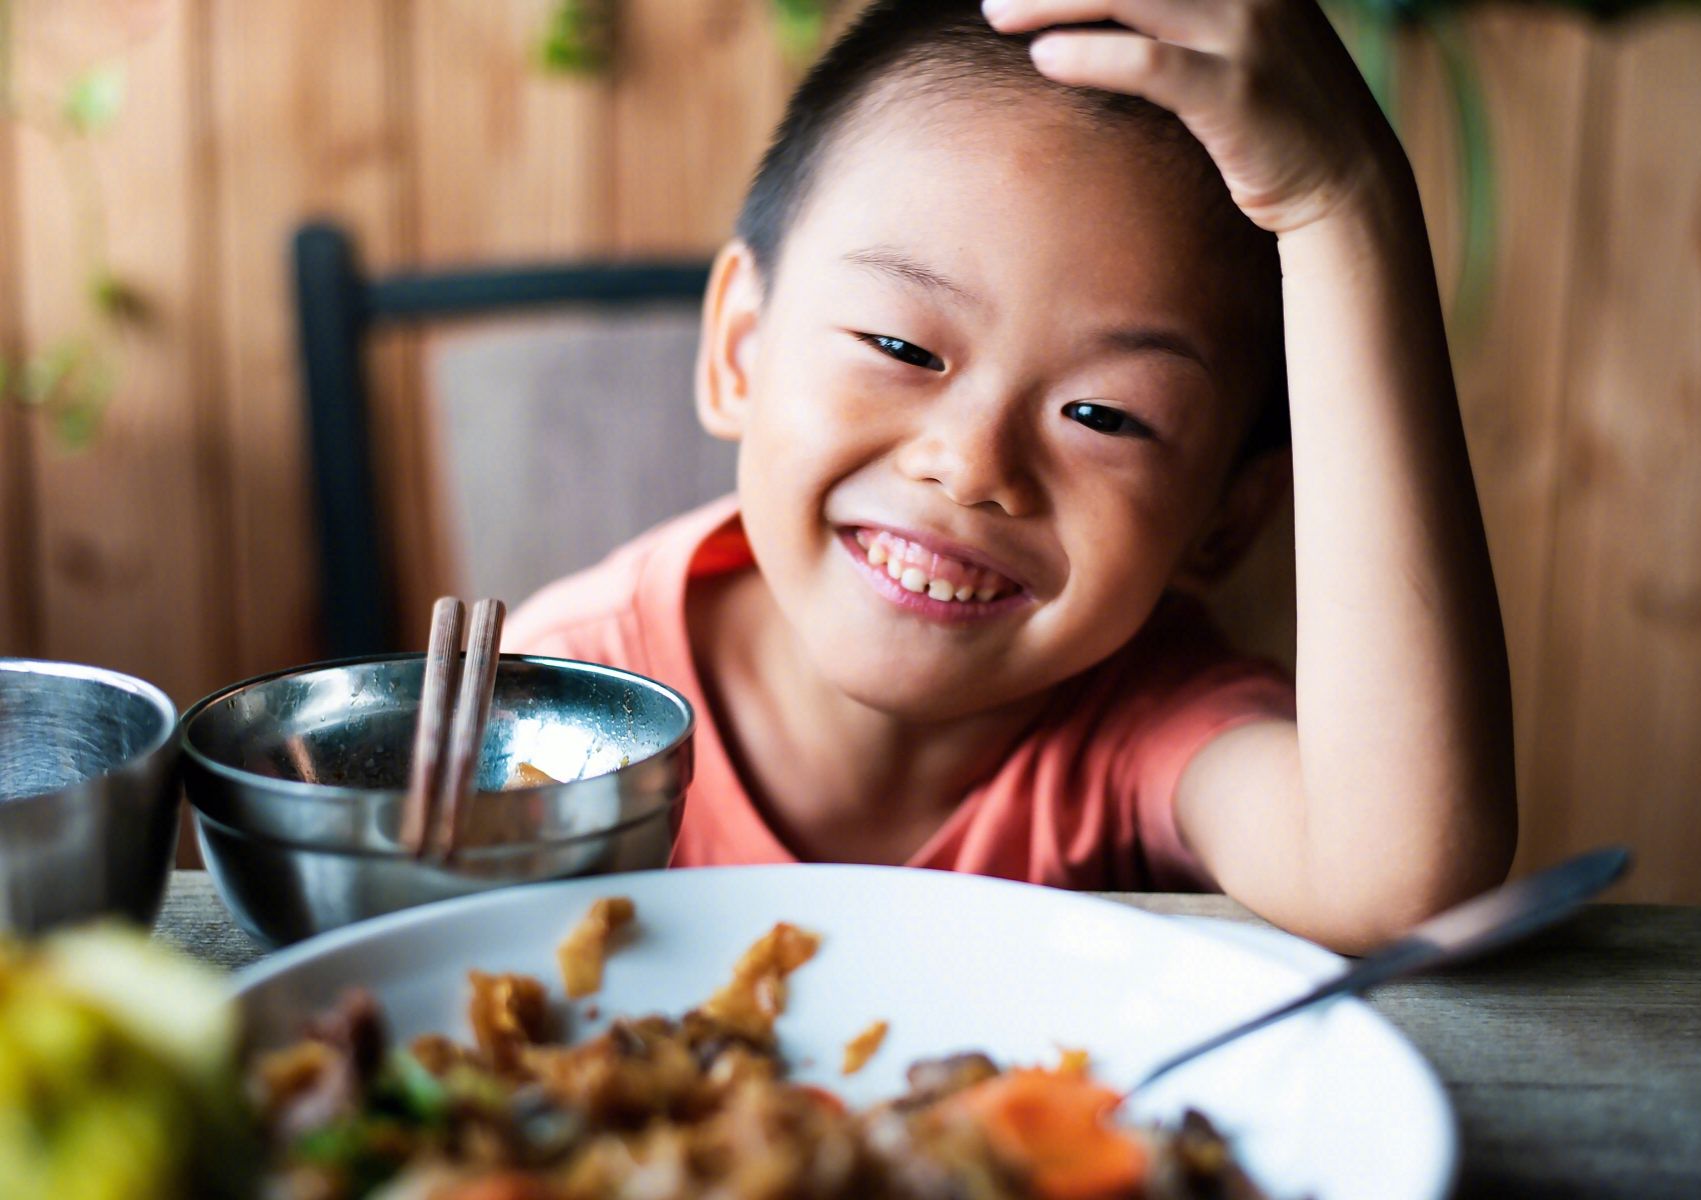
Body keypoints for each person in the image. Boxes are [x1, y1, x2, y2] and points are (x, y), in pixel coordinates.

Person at [506, 0, 1516, 953]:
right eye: (901, 346)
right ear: (739, 348)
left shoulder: (1138, 719)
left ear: (1226, 519)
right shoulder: (545, 715)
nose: (972, 463)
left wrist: (1339, 195)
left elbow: (1394, 878)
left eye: (1102, 415)